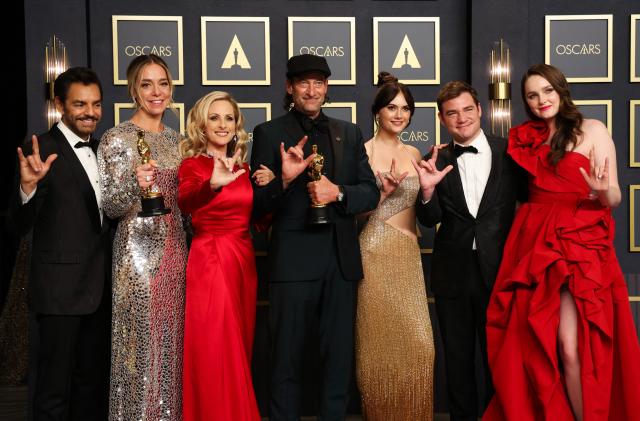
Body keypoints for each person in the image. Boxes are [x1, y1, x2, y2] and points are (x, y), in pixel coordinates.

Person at [484, 63, 640, 421]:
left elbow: (613, 195)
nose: (541, 101)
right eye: (532, 95)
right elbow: (519, 197)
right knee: (536, 344)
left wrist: (602, 192)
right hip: (535, 244)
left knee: (573, 347)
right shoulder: (525, 137)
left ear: (561, 90)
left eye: (547, 91)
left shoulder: (593, 130)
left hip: (579, 240)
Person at [250, 54, 379, 420]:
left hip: (340, 264)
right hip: (293, 264)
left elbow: (369, 193)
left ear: (326, 88)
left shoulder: (349, 132)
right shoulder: (268, 133)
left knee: (338, 365)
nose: (312, 89)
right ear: (290, 87)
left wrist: (337, 192)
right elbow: (256, 206)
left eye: (319, 82)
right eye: (304, 82)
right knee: (286, 363)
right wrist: (287, 180)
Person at [414, 81, 525, 421]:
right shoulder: (434, 159)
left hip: (501, 272)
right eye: (452, 113)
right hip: (453, 275)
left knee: (500, 361)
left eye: (466, 110)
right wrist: (427, 193)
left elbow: (531, 206)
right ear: (441, 119)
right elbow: (428, 218)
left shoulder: (510, 153)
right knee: (458, 362)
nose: (461, 118)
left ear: (480, 110)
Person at [11, 67, 111, 420]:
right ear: (59, 105)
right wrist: (28, 189)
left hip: (100, 291)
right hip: (58, 294)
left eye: (96, 104)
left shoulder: (105, 149)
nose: (90, 113)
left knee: (90, 389)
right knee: (53, 392)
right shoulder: (39, 149)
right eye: (80, 104)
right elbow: (19, 224)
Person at [98, 54, 187, 420]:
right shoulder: (116, 138)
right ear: (134, 89)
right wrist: (136, 184)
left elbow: (189, 202)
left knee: (170, 346)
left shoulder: (179, 141)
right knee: (138, 348)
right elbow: (111, 206)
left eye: (163, 83)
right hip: (135, 255)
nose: (156, 92)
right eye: (147, 84)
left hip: (175, 250)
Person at [177, 91, 274, 421]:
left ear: (236, 126)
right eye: (214, 118)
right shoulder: (193, 165)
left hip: (242, 262)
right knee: (218, 350)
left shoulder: (245, 169)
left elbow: (260, 221)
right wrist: (212, 185)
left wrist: (278, 185)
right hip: (210, 260)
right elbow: (186, 201)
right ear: (202, 125)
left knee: (239, 349)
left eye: (228, 118)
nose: (222, 124)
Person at [355, 72, 434, 420]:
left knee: (421, 348)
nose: (399, 114)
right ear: (377, 112)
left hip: (408, 256)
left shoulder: (415, 152)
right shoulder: (362, 152)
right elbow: (351, 212)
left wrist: (429, 190)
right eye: (392, 107)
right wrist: (379, 195)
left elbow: (425, 210)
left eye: (405, 108)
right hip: (373, 251)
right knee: (377, 351)